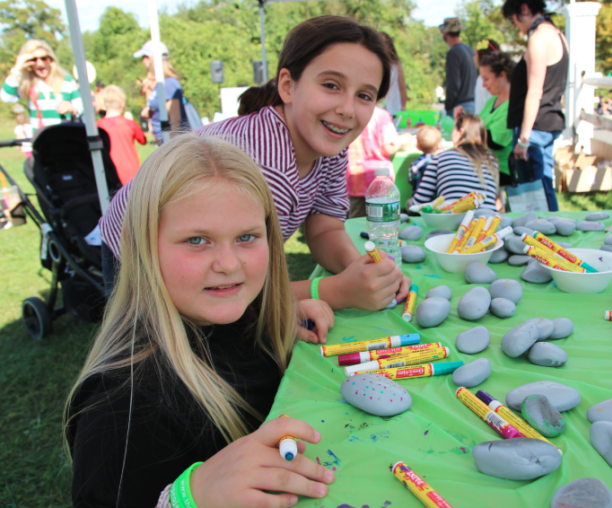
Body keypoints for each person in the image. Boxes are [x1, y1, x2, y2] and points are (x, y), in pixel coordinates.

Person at [66, 134, 337, 508]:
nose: (228, 264)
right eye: (196, 240)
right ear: (139, 245)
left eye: (246, 237)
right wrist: (187, 498)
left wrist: (277, 316)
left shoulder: (243, 321)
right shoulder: (121, 405)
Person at [99, 16, 410, 313]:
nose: (346, 109)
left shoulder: (330, 145)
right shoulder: (262, 167)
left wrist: (360, 267)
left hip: (210, 266)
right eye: (331, 85)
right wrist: (336, 291)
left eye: (365, 96)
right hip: (139, 256)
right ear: (287, 86)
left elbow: (325, 226)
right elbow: (230, 284)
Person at [503, 0, 569, 212]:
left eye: (514, 20)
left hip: (535, 127)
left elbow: (535, 91)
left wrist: (524, 138)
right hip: (548, 121)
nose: (515, 26)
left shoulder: (538, 38)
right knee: (543, 184)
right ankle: (551, 233)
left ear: (524, 9)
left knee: (535, 193)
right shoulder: (558, 35)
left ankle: (544, 238)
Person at [411, 114, 499, 210]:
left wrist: (408, 205)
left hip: (454, 219)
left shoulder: (440, 158)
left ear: (460, 132)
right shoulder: (492, 160)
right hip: (489, 220)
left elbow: (419, 203)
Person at [1, 39, 83, 133]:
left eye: (43, 58)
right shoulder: (28, 83)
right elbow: (6, 97)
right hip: (41, 139)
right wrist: (17, 68)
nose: (40, 63)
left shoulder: (66, 80)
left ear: (50, 59)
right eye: (34, 59)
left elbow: (81, 107)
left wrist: (72, 109)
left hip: (65, 136)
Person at [346, 106, 411, 217]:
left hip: (354, 177)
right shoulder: (381, 115)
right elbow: (388, 147)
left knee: (356, 222)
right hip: (380, 180)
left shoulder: (348, 111)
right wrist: (401, 141)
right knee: (383, 222)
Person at [134, 40, 188, 145]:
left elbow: (175, 121)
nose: (142, 61)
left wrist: (170, 146)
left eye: (143, 58)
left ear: (149, 58)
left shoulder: (168, 83)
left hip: (169, 142)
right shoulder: (158, 84)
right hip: (163, 141)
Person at [477, 51, 514, 187]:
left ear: (503, 75)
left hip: (500, 171)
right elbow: (479, 126)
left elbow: (495, 141)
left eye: (486, 79)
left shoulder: (511, 106)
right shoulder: (492, 101)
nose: (483, 85)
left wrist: (467, 127)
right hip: (484, 166)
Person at [97, 85, 147, 184]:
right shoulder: (129, 123)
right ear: (122, 104)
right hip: (131, 173)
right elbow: (143, 140)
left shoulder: (98, 126)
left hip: (108, 174)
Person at [439, 17, 476, 115]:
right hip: (472, 104)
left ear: (445, 33)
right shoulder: (468, 50)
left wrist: (448, 106)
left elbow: (453, 84)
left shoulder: (453, 53)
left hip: (460, 106)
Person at [408, 125, 443, 192]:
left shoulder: (416, 165)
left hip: (419, 199)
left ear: (418, 146)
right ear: (439, 145)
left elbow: (411, 180)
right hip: (437, 200)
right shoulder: (440, 163)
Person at [381, 32, 407, 116]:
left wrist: (403, 107)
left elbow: (402, 87)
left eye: (385, 43)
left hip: (394, 109)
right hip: (377, 109)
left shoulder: (396, 65)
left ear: (389, 45)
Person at [471, 39, 499, 117]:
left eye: (475, 54)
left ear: (483, 56)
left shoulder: (481, 79)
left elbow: (479, 111)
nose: (473, 58)